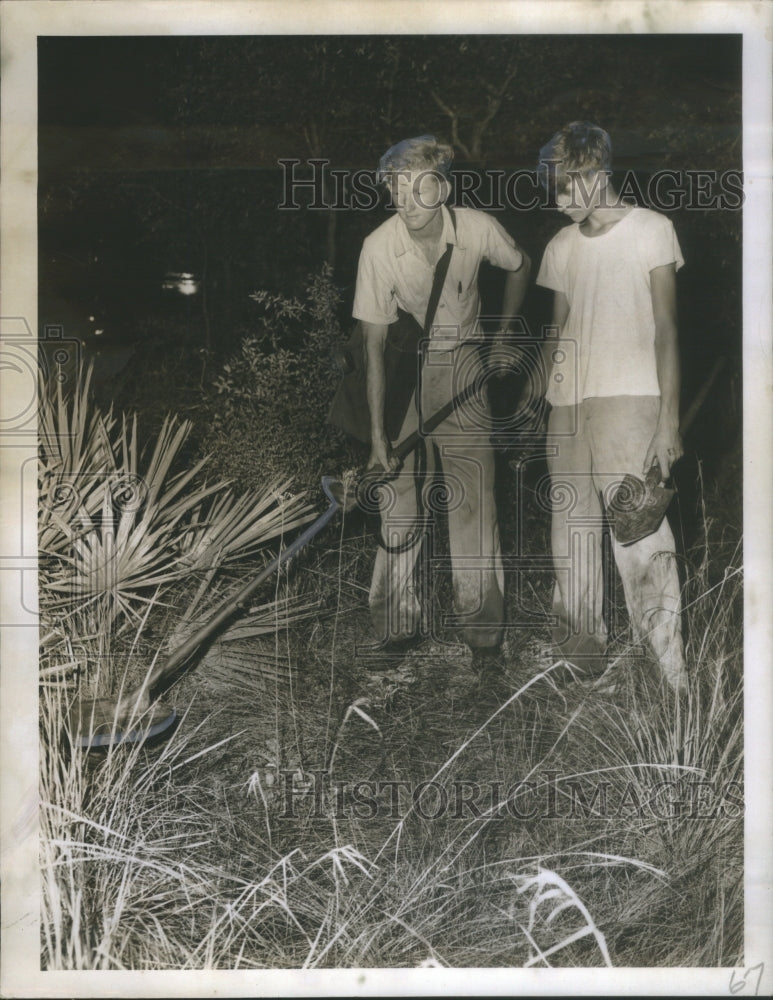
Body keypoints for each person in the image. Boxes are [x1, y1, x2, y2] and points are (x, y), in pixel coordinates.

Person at [352, 135, 530, 670]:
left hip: (467, 360)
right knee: (396, 495)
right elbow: (374, 347)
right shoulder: (378, 247)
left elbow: (520, 265)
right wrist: (380, 437)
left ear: (442, 187)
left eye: (416, 187)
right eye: (395, 189)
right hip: (409, 366)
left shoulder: (475, 227)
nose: (404, 200)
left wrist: (501, 337)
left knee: (472, 496)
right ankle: (394, 626)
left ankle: (482, 638)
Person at [535, 121, 687, 693]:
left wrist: (667, 420)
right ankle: (580, 664)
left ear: (596, 172)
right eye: (555, 185)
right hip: (567, 404)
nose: (560, 197)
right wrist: (539, 397)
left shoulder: (653, 229)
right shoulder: (560, 246)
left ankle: (670, 678)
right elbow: (557, 328)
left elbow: (668, 329)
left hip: (630, 398)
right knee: (569, 535)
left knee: (640, 537)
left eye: (568, 183)